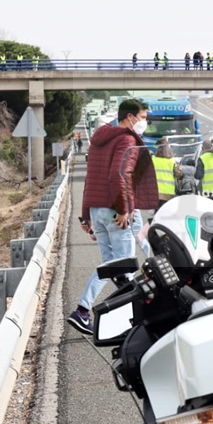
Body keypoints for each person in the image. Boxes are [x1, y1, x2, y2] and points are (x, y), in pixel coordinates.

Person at [69, 99, 160, 335]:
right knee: (123, 265)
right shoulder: (126, 140)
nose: (145, 122)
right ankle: (88, 311)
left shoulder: (100, 139)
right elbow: (119, 176)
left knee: (113, 267)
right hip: (115, 212)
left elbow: (92, 179)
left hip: (99, 211)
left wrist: (85, 216)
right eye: (143, 117)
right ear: (129, 117)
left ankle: (112, 315)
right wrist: (124, 208)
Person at [152, 138, 183, 208]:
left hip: (155, 192)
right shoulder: (172, 161)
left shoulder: (153, 160)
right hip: (168, 192)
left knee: (157, 212)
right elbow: (179, 175)